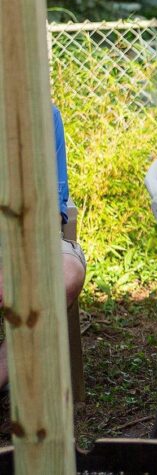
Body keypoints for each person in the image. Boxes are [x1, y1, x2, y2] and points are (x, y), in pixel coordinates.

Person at [0, 106, 88, 392]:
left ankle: (4, 368)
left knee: (66, 273)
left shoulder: (41, 113)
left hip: (28, 241)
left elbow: (52, 201)